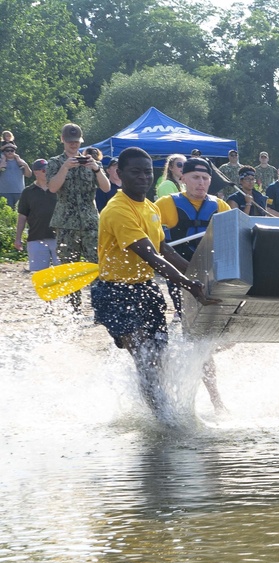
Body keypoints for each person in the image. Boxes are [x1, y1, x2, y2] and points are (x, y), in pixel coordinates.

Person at [90, 147, 215, 418]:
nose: (143, 177)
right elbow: (151, 256)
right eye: (135, 172)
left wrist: (199, 276)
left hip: (146, 290)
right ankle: (165, 421)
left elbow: (165, 249)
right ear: (119, 175)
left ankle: (160, 410)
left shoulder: (149, 208)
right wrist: (190, 285)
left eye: (147, 172)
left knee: (158, 358)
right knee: (144, 358)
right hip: (115, 293)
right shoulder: (117, 210)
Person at [153, 156, 230, 411]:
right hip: (180, 278)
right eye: (195, 178)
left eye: (206, 178)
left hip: (210, 280)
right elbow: (156, 243)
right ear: (182, 178)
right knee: (199, 338)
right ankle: (213, 399)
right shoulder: (165, 204)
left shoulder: (220, 206)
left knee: (203, 338)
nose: (201, 183)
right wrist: (187, 275)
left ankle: (201, 384)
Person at [46, 123, 111, 309]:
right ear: (63, 140)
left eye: (76, 142)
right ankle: (73, 308)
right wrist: (65, 168)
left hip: (90, 221)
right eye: (70, 141)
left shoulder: (91, 162)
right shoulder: (55, 162)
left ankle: (100, 307)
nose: (73, 145)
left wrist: (96, 169)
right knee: (69, 266)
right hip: (66, 222)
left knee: (96, 264)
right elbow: (52, 188)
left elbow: (106, 188)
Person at [14, 159, 58, 272]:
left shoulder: (59, 188)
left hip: (60, 237)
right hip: (36, 237)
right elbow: (22, 216)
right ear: (35, 172)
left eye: (49, 170)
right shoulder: (27, 192)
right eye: (44, 170)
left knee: (63, 274)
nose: (47, 172)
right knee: (38, 275)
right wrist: (18, 238)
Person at [0, 140, 31, 208]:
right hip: (3, 193)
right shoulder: (1, 161)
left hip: (19, 192)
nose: (10, 152)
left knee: (19, 214)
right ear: (3, 152)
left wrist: (25, 165)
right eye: (7, 150)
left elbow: (28, 175)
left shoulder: (20, 161)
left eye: (12, 150)